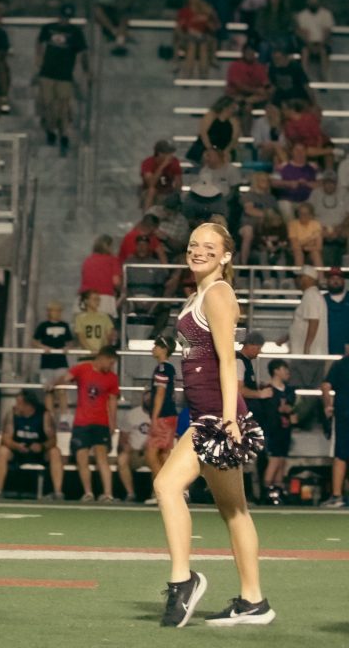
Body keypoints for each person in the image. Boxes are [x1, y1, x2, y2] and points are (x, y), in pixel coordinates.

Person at [153, 222, 275, 627]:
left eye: (210, 247)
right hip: (204, 413)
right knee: (234, 511)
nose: (198, 251)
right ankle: (253, 601)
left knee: (167, 486)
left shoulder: (219, 294)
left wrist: (227, 419)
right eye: (193, 245)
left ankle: (183, 581)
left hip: (216, 417)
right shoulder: (197, 294)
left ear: (226, 256)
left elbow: (228, 361)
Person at [45, 346, 120, 502]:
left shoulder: (112, 378)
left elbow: (113, 402)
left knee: (102, 457)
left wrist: (113, 423)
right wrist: (53, 383)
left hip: (101, 422)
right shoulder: (82, 369)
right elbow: (65, 377)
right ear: (103, 357)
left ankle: (108, 494)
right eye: (110, 362)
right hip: (82, 422)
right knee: (81, 457)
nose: (111, 366)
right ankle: (88, 493)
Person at [35, 4, 89, 156]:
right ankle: (50, 129)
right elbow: (39, 43)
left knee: (63, 106)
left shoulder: (75, 32)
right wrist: (38, 58)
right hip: (47, 73)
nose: (64, 20)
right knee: (47, 104)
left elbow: (82, 52)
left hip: (64, 75)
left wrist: (86, 71)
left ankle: (63, 133)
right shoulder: (48, 28)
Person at [0, 389, 65, 500]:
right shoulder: (12, 414)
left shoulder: (44, 415)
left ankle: (58, 492)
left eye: (19, 403)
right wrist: (16, 445)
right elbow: (5, 438)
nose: (16, 405)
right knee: (2, 451)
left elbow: (53, 440)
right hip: (18, 452)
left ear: (28, 405)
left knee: (55, 452)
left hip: (39, 453)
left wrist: (42, 446)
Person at [279, 265, 328, 394]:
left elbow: (314, 322)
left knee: (301, 391)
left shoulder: (310, 296)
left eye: (300, 277)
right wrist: (284, 338)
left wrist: (307, 348)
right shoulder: (313, 295)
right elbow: (301, 324)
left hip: (306, 356)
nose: (297, 280)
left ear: (307, 278)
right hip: (310, 354)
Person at [258, 359, 297, 503]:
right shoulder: (268, 390)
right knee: (273, 460)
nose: (287, 373)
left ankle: (279, 489)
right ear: (276, 371)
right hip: (272, 430)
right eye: (284, 369)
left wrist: (290, 411)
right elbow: (269, 411)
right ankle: (267, 490)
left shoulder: (289, 391)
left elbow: (292, 407)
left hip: (285, 430)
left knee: (281, 460)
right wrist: (280, 410)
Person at [32, 301, 74, 423]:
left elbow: (70, 342)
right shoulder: (43, 326)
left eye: (58, 311)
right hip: (47, 363)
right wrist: (43, 347)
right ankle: (50, 416)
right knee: (48, 390)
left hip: (61, 362)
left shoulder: (64, 325)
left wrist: (67, 348)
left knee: (61, 389)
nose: (56, 313)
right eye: (53, 310)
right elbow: (34, 341)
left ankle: (64, 417)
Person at [145, 335, 179, 486]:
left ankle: (165, 488)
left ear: (164, 349)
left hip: (163, 416)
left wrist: (154, 417)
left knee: (151, 454)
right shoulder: (170, 369)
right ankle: (174, 487)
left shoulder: (162, 368)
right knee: (164, 454)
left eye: (156, 346)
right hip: (170, 415)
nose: (153, 349)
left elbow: (160, 393)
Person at [320, 350, 349, 507]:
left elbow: (325, 386)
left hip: (344, 413)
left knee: (340, 456)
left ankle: (337, 495)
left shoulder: (340, 364)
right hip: (344, 413)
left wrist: (327, 406)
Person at [175, 0, 220, 78]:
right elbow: (179, 27)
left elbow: (216, 27)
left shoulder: (205, 10)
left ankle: (203, 77)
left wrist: (211, 14)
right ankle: (187, 76)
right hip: (188, 38)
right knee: (192, 46)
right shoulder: (184, 11)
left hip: (203, 38)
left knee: (203, 47)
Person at [117, 390, 153, 502]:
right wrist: (125, 446)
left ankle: (156, 494)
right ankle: (130, 494)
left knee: (160, 461)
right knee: (122, 460)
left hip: (151, 453)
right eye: (147, 397)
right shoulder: (132, 414)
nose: (149, 400)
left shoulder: (160, 415)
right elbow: (123, 437)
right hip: (134, 452)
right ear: (143, 399)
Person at [187, 96, 241, 164]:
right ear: (225, 107)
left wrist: (227, 150)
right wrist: (210, 149)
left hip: (224, 146)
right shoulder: (211, 115)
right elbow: (203, 133)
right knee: (208, 157)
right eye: (232, 107)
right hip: (206, 145)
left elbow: (235, 138)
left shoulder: (234, 120)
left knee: (226, 158)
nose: (234, 110)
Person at [295, 0, 335, 82]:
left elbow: (327, 32)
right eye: (311, 1)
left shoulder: (326, 14)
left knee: (323, 51)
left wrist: (321, 44)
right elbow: (302, 33)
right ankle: (303, 78)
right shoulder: (302, 15)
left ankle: (324, 78)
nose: (313, 3)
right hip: (307, 43)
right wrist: (309, 45)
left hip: (322, 43)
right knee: (304, 52)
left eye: (315, 1)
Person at [78, 235, 121, 317]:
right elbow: (116, 281)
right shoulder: (112, 260)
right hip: (104, 300)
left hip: (85, 299)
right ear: (109, 247)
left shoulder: (88, 260)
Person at [141, 139, 182, 210]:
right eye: (168, 153)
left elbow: (178, 181)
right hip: (152, 190)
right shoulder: (148, 162)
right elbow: (151, 184)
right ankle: (147, 216)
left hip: (168, 189)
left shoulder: (174, 161)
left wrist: (178, 193)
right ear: (160, 153)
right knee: (152, 190)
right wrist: (162, 166)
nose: (171, 156)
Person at [74, 289, 116, 356]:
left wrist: (102, 350)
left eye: (98, 299)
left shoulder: (104, 317)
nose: (97, 302)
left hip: (101, 355)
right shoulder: (80, 318)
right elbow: (81, 337)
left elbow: (109, 335)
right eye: (94, 299)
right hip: (86, 355)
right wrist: (90, 350)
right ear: (86, 301)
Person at [286, 201, 324, 268]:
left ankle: (321, 278)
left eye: (306, 213)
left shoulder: (316, 224)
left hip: (311, 249)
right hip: (297, 250)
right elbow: (294, 245)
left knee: (316, 254)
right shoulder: (292, 224)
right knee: (298, 253)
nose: (303, 215)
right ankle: (299, 277)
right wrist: (311, 238)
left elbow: (319, 247)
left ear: (311, 215)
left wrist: (305, 247)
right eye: (301, 213)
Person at [325, 267, 349, 359]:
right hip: (326, 348)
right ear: (327, 281)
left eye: (338, 278)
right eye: (332, 278)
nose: (335, 281)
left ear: (343, 281)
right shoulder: (321, 300)